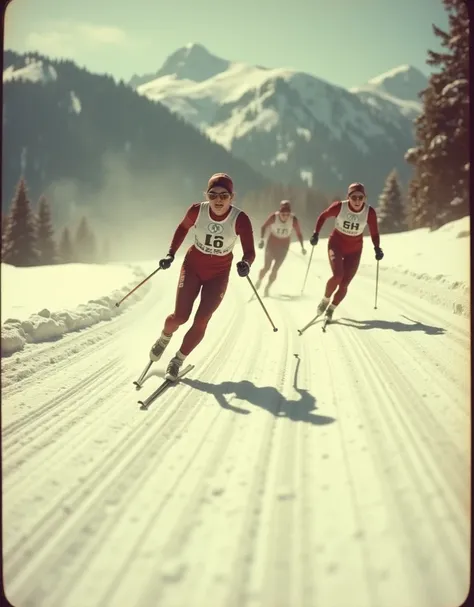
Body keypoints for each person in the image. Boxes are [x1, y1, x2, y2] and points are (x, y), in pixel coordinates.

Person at [149, 173, 256, 381]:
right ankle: (164, 337)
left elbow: (250, 251)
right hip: (193, 268)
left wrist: (246, 264)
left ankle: (177, 360)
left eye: (224, 196)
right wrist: (170, 253)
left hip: (218, 274)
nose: (218, 200)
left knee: (202, 319)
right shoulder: (197, 210)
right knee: (180, 317)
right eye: (213, 195)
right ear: (206, 195)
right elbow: (182, 228)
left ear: (232, 197)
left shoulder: (240, 219)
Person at [309, 182, 384, 321]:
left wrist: (377, 248)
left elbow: (374, 232)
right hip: (336, 245)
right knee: (338, 276)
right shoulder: (339, 207)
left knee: (344, 284)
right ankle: (325, 300)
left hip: (354, 251)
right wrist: (316, 234)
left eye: (360, 198)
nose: (357, 201)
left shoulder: (369, 212)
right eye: (353, 197)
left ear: (365, 198)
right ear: (348, 197)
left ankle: (331, 309)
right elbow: (323, 216)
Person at [255, 200, 306, 296]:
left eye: (287, 214)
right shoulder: (274, 217)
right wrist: (262, 239)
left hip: (284, 246)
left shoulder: (293, 219)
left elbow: (299, 233)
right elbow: (263, 227)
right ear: (280, 212)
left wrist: (302, 247)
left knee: (275, 269)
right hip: (272, 243)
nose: (285, 216)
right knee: (267, 267)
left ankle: (267, 287)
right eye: (283, 214)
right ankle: (259, 280)